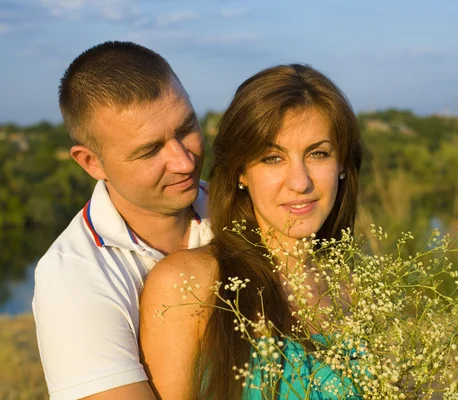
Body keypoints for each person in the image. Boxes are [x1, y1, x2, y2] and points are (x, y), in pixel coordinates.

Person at [139, 64, 364, 399]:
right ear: (241, 172)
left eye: (318, 154)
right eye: (273, 158)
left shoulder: (355, 289)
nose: (300, 182)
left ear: (341, 164)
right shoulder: (188, 284)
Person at [32, 41, 213, 399]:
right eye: (150, 150)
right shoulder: (74, 276)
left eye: (186, 128)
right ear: (90, 162)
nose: (184, 162)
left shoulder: (248, 209)